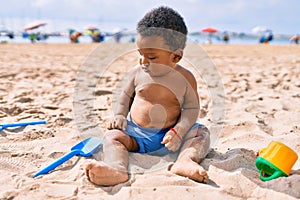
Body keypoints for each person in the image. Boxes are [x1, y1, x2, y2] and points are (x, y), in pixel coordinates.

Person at [85, 6, 210, 186]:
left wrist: (179, 130)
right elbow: (125, 96)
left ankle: (184, 161)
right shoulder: (137, 73)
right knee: (112, 136)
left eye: (151, 57)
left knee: (201, 133)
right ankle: (117, 168)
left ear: (175, 57)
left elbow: (191, 108)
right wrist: (120, 115)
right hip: (135, 134)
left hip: (169, 135)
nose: (143, 61)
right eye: (140, 54)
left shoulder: (185, 78)